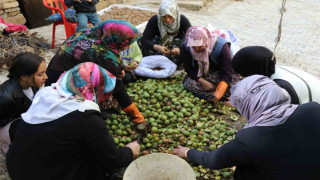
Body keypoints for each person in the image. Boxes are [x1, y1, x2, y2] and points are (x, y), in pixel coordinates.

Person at [6, 62, 140, 180]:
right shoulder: (86, 115)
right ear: (94, 88)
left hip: (17, 168)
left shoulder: (46, 93)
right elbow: (113, 160)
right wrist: (130, 151)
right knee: (99, 165)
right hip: (45, 175)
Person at [173, 75, 320, 180]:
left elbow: (212, 161)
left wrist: (188, 152)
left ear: (248, 105)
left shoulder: (249, 139)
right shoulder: (312, 109)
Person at [45, 20, 146, 125]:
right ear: (115, 39)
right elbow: (118, 88)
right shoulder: (102, 53)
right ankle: (96, 113)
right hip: (62, 88)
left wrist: (120, 68)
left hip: (53, 75)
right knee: (109, 82)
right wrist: (136, 116)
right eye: (126, 43)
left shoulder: (88, 33)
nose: (128, 47)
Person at [231, 46, 320, 104]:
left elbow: (285, 118)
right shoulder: (270, 68)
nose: (243, 78)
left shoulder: (280, 89)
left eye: (243, 75)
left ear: (252, 72)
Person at [0, 52, 47, 153]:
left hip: (19, 118)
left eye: (44, 72)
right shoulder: (5, 96)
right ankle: (11, 147)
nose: (46, 77)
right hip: (6, 126)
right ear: (24, 77)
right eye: (40, 74)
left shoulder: (33, 84)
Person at [180, 26, 241, 103]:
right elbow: (187, 67)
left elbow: (227, 72)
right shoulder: (186, 46)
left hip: (220, 74)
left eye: (200, 46)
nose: (197, 50)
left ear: (206, 41)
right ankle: (222, 95)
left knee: (237, 86)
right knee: (189, 84)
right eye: (194, 47)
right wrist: (203, 82)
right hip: (202, 75)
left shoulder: (221, 47)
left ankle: (217, 95)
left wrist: (218, 94)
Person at [139, 0, 191, 65]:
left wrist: (179, 48)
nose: (167, 20)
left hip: (176, 46)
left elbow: (191, 38)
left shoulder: (182, 20)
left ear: (175, 14)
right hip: (160, 45)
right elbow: (145, 39)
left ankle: (161, 61)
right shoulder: (155, 20)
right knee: (139, 41)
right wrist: (159, 48)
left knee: (189, 49)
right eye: (164, 17)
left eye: (170, 16)